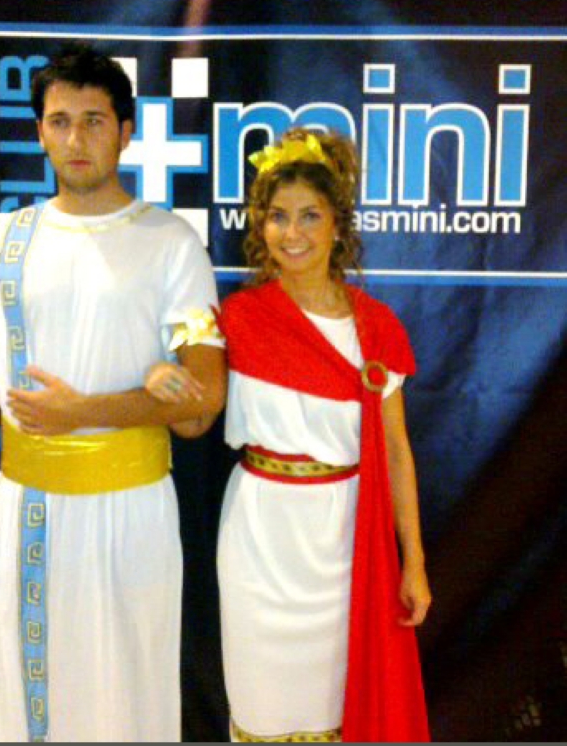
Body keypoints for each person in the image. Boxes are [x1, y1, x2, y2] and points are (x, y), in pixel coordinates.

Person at [0, 44, 226, 743]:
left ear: (125, 131)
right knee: (34, 695)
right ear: (39, 131)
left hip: (134, 512)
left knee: (130, 689)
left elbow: (206, 394)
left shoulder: (171, 243)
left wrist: (85, 411)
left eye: (94, 121)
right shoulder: (1, 241)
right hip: (27, 508)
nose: (75, 139)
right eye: (60, 121)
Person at [147, 127, 431, 742]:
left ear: (337, 226)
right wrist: (164, 383)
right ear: (261, 225)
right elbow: (194, 417)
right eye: (278, 216)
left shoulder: (377, 328)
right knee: (263, 712)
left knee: (339, 710)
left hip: (345, 541)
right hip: (259, 537)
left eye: (309, 215)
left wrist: (414, 562)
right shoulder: (238, 319)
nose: (292, 232)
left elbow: (397, 453)